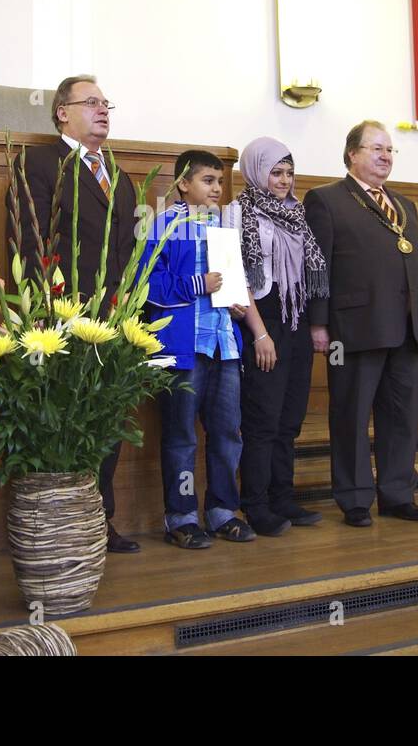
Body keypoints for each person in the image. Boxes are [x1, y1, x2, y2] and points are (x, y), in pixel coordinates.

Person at [15, 75, 140, 553]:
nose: (103, 110)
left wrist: (129, 305)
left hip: (114, 314)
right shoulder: (40, 162)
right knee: (65, 420)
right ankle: (60, 523)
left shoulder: (119, 173)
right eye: (92, 103)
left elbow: (128, 246)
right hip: (63, 312)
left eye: (106, 103)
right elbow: (31, 238)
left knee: (106, 418)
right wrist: (47, 304)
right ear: (62, 112)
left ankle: (100, 519)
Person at [304, 121, 418, 527]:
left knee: (402, 416)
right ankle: (355, 498)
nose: (385, 156)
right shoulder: (325, 200)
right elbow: (317, 266)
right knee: (351, 415)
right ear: (352, 154)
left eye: (390, 150)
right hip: (353, 326)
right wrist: (318, 324)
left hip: (405, 327)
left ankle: (397, 494)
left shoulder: (405, 204)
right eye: (376, 148)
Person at [140, 150, 265, 549]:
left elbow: (231, 283)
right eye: (208, 180)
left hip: (224, 343)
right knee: (181, 437)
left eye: (220, 182)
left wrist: (235, 303)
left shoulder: (223, 230)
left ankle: (223, 511)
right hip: (183, 346)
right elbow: (144, 286)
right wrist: (197, 285)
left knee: (228, 433)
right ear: (183, 184)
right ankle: (181, 517)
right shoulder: (162, 226)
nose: (217, 188)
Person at [221, 138, 328, 537]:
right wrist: (260, 334)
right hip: (262, 319)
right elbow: (237, 276)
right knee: (263, 419)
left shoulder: (297, 213)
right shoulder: (237, 212)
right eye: (275, 172)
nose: (283, 181)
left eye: (288, 173)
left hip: (295, 317)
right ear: (254, 171)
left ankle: (283, 498)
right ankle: (257, 504)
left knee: (289, 419)